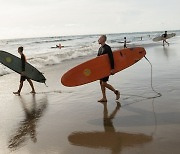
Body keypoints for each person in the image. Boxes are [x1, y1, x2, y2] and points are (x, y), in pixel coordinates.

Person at [97, 35, 120, 102]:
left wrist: (112, 68)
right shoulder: (100, 49)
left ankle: (116, 92)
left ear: (103, 39)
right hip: (102, 69)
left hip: (107, 68)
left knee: (104, 83)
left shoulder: (107, 48)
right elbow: (97, 60)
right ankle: (104, 97)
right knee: (101, 82)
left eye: (99, 38)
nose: (98, 40)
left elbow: (111, 58)